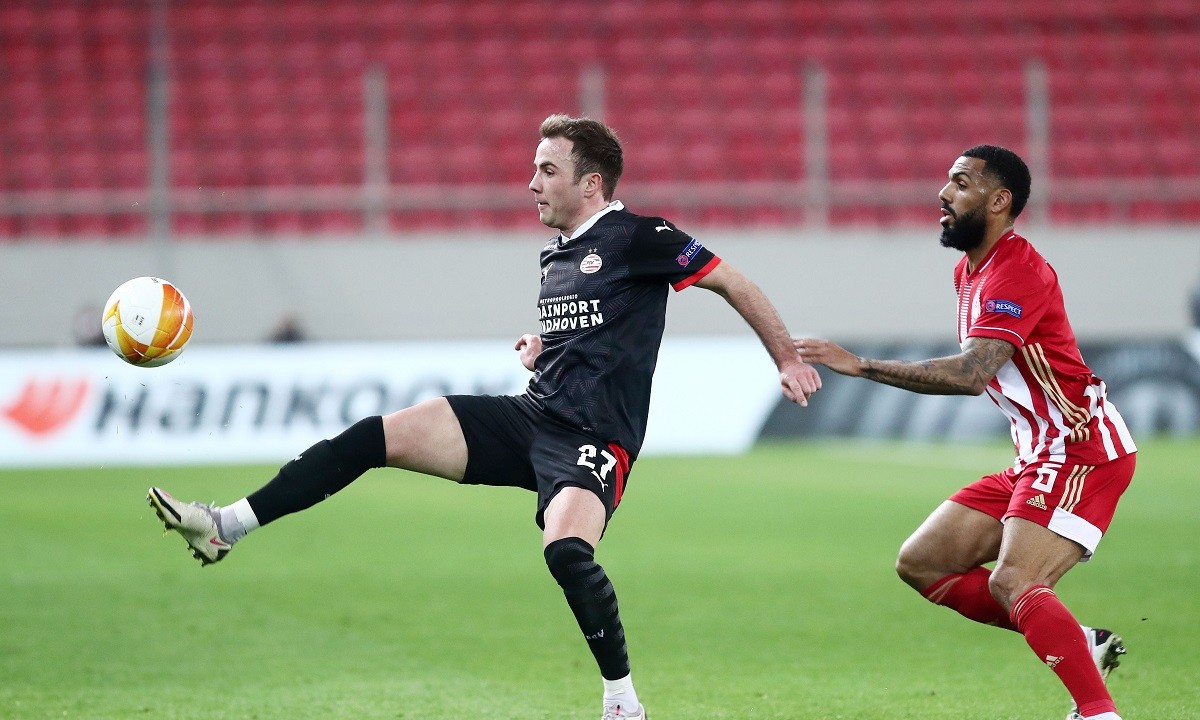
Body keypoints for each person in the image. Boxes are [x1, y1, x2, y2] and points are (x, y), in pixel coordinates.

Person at [147, 114, 821, 720]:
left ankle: (622, 701)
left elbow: (733, 281)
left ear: (590, 183)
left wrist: (787, 358)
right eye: (534, 168)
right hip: (530, 416)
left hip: (594, 439)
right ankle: (226, 526)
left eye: (547, 170)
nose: (532, 183)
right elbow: (595, 332)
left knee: (566, 552)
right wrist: (545, 348)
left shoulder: (641, 236)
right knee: (374, 437)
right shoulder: (558, 253)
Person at [795, 145, 1135, 720]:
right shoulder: (970, 271)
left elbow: (972, 374)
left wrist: (861, 365)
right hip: (1038, 452)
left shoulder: (1018, 271)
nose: (943, 193)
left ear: (999, 201)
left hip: (1080, 449)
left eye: (960, 182)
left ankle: (1098, 713)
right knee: (923, 561)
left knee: (1014, 581)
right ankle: (1080, 643)